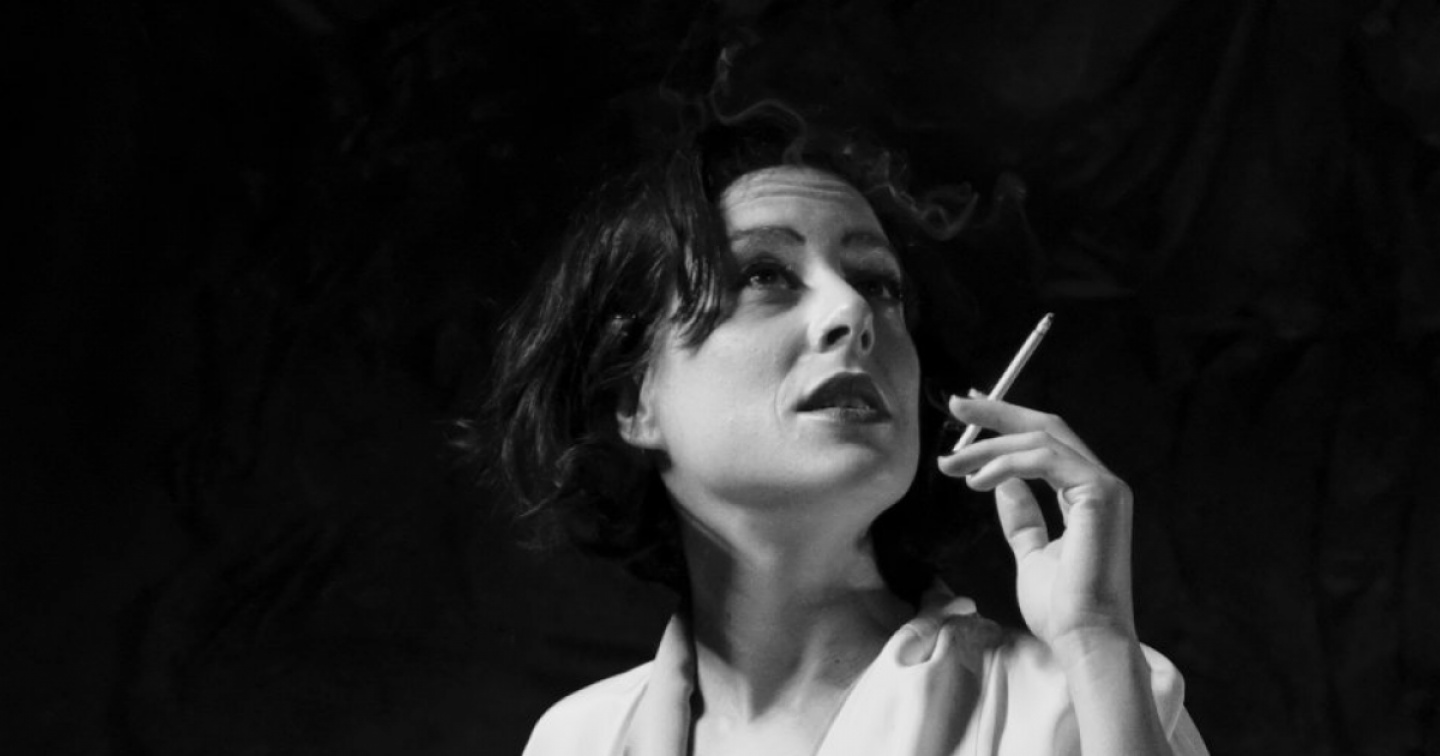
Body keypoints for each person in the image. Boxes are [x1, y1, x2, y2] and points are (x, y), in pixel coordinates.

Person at [470, 107, 1209, 755]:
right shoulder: (579, 740)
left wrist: (1097, 645)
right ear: (635, 400)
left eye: (878, 284)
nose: (853, 313)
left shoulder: (1090, 704)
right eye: (765, 274)